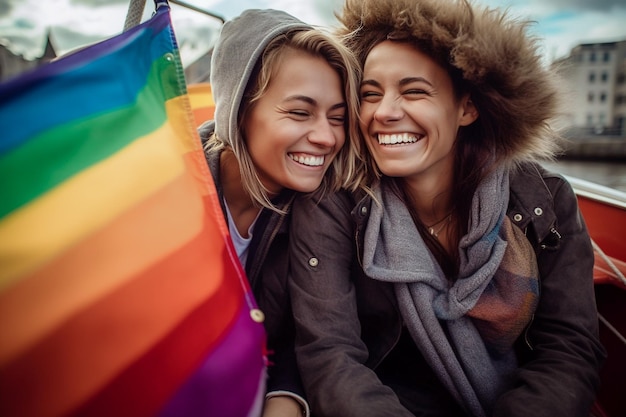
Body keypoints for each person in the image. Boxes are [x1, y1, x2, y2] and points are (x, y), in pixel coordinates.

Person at [289, 0, 606, 416]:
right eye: (370, 94)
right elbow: (332, 354)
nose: (385, 112)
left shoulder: (543, 201)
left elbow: (568, 346)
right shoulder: (335, 201)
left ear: (466, 108)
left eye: (414, 91)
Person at [198, 9, 363, 417]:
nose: (326, 138)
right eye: (299, 112)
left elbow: (298, 338)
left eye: (338, 118)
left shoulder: (318, 212)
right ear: (237, 112)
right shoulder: (166, 194)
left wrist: (285, 399)